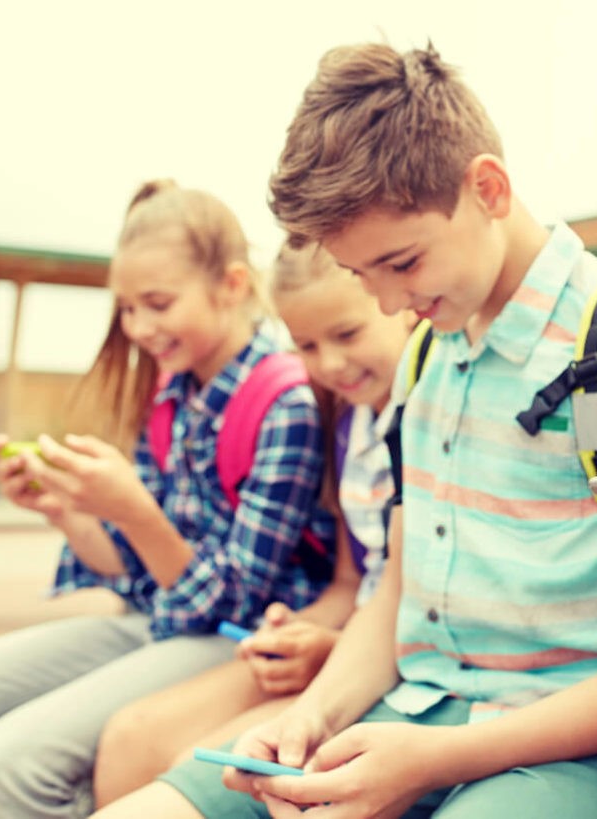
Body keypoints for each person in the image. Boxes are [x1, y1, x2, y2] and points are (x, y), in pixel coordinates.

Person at [194, 41, 597, 819]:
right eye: (360, 276)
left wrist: (433, 761)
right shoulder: (426, 350)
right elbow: (399, 589)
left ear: (487, 188)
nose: (386, 304)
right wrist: (309, 720)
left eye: (403, 262)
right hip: (411, 716)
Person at [0, 179, 333, 819]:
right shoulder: (168, 397)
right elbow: (129, 569)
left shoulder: (284, 403)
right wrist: (66, 510)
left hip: (239, 637)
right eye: (128, 309)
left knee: (15, 762)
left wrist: (133, 508)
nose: (139, 327)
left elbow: (234, 599)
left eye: (157, 303)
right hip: (154, 620)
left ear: (232, 286)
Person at [90, 237, 416, 810]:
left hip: (393, 659)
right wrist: (298, 631)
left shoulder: (420, 419)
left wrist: (332, 646)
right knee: (130, 739)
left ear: (402, 303)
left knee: (193, 762)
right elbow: (349, 583)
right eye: (307, 346)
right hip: (345, 644)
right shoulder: (346, 422)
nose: (328, 364)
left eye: (347, 334)